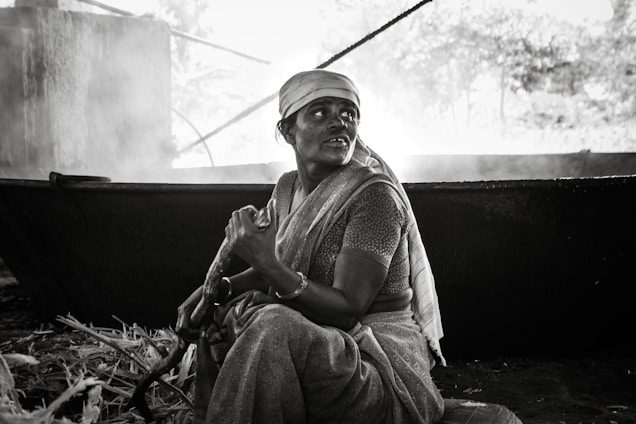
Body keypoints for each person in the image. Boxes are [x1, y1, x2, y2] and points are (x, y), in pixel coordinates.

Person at [176, 69, 522, 424]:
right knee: (228, 318)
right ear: (287, 130)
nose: (339, 123)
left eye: (348, 114)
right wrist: (220, 289)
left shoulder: (374, 197)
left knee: (273, 325)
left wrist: (266, 263)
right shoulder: (287, 187)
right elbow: (281, 261)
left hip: (375, 363)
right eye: (320, 112)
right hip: (323, 346)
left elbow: (345, 309)